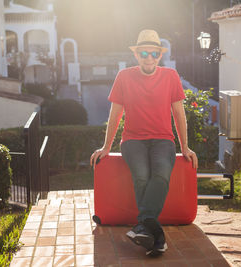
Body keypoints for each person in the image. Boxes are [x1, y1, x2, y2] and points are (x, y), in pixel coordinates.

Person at [90, 29, 198, 257]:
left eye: (154, 53)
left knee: (161, 174)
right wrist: (106, 146)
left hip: (163, 141)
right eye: (144, 53)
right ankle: (152, 230)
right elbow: (115, 115)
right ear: (136, 55)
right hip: (133, 141)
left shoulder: (170, 76)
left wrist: (185, 146)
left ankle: (148, 230)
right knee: (140, 175)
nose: (149, 57)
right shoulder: (124, 77)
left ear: (160, 56)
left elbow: (179, 114)